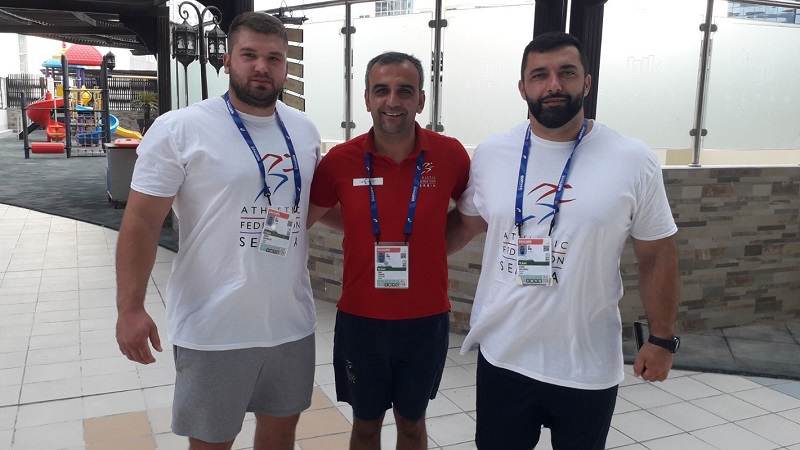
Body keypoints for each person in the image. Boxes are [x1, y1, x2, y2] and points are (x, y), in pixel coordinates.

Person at [446, 32, 680, 450]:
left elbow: (657, 252)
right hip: (504, 356)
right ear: (523, 88)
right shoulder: (492, 153)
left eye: (566, 73)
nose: (553, 85)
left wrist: (661, 339)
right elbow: (464, 225)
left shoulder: (632, 158)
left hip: (586, 364)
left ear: (586, 82)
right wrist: (398, 256)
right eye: (539, 75)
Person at [115, 12, 320, 450]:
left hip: (291, 323)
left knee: (280, 437)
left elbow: (308, 205)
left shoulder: (304, 130)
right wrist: (130, 307)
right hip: (214, 327)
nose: (262, 67)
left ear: (286, 66)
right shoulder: (180, 128)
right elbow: (141, 222)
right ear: (227, 60)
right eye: (249, 55)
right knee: (211, 443)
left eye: (274, 58)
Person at [307, 52, 470, 450]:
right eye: (381, 90)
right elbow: (309, 215)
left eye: (405, 91)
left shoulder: (450, 155)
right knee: (365, 425)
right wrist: (360, 227)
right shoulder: (339, 161)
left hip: (426, 319)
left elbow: (472, 215)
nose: (392, 101)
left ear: (421, 100)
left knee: (412, 424)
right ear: (367, 99)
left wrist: (432, 247)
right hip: (361, 319)